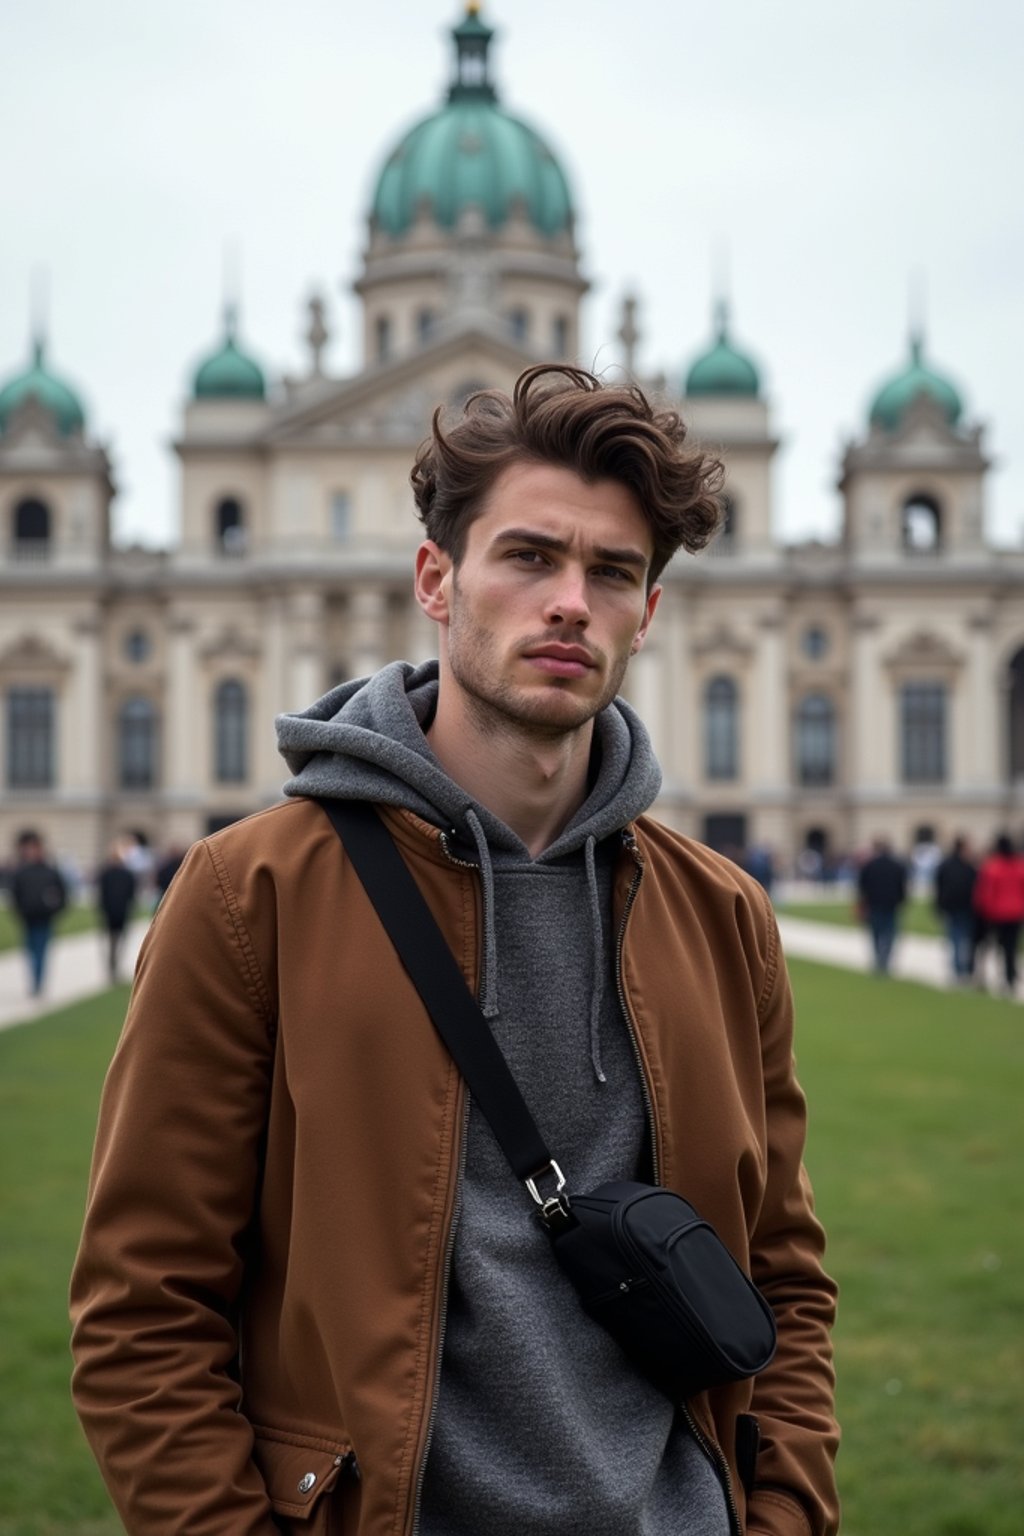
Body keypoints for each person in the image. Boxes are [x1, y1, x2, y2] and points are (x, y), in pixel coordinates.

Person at [70, 366, 839, 1536]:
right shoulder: (248, 896)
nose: (570, 602)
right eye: (528, 556)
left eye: (612, 572)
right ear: (436, 577)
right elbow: (144, 1312)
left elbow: (781, 1276)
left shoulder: (722, 915)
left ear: (649, 614)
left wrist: (781, 1514)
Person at [9, 829, 67, 997]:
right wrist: (19, 912)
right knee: (30, 951)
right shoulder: (22, 872)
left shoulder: (50, 872)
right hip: (28, 917)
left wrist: (56, 910)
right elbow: (15, 895)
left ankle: (38, 983)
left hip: (45, 917)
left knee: (41, 951)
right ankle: (35, 980)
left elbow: (62, 894)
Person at [972, 833, 1024, 995]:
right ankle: (1009, 977)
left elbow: (985, 892)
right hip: (1015, 913)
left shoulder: (992, 867)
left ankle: (981, 975)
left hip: (994, 913)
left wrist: (982, 909)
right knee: (1010, 947)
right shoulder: (1019, 866)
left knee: (986, 946)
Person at [856, 837, 908, 975]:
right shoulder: (897, 865)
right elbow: (902, 887)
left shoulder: (869, 866)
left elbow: (862, 887)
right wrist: (901, 901)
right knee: (890, 934)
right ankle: (884, 960)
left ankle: (879, 959)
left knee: (876, 934)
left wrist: (863, 903)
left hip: (874, 904)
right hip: (891, 904)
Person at [933, 836, 978, 983]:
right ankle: (960, 968)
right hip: (964, 907)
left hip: (953, 907)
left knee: (955, 938)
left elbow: (938, 887)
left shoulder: (946, 865)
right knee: (961, 939)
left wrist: (938, 905)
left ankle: (958, 967)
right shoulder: (968, 866)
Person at [95, 839, 138, 984]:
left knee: (114, 940)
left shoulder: (107, 873)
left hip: (112, 911)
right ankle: (114, 965)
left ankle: (113, 965)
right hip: (119, 911)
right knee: (118, 940)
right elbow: (132, 894)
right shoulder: (125, 874)